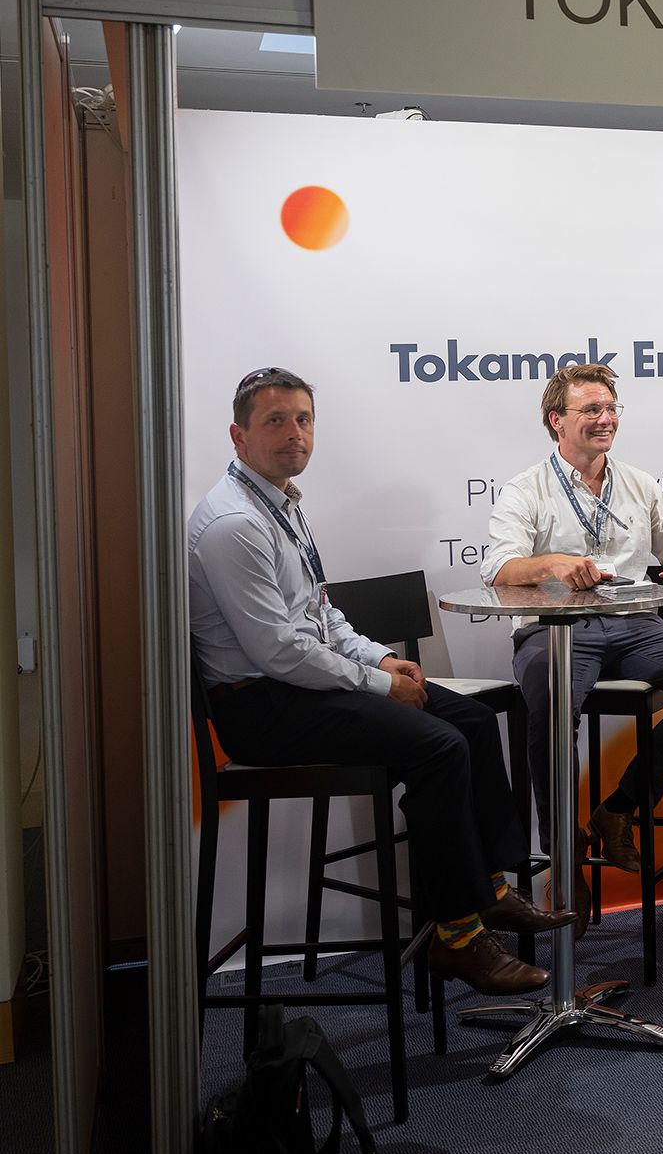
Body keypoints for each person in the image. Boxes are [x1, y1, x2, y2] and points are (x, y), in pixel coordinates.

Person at [189, 366, 571, 998]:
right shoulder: (235, 524)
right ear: (239, 435)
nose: (294, 433)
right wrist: (375, 683)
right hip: (262, 708)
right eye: (275, 421)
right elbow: (278, 651)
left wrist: (381, 659)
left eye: (303, 419)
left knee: (473, 720)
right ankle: (458, 937)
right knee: (439, 746)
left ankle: (491, 888)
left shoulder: (280, 504)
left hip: (300, 686)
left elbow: (320, 614)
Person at [483, 363, 663, 927]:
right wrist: (552, 564)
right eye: (591, 410)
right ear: (557, 421)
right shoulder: (527, 489)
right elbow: (499, 569)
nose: (605, 419)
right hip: (556, 629)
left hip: (634, 625)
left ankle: (620, 807)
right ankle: (562, 853)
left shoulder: (639, 484)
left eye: (610, 408)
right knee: (551, 707)